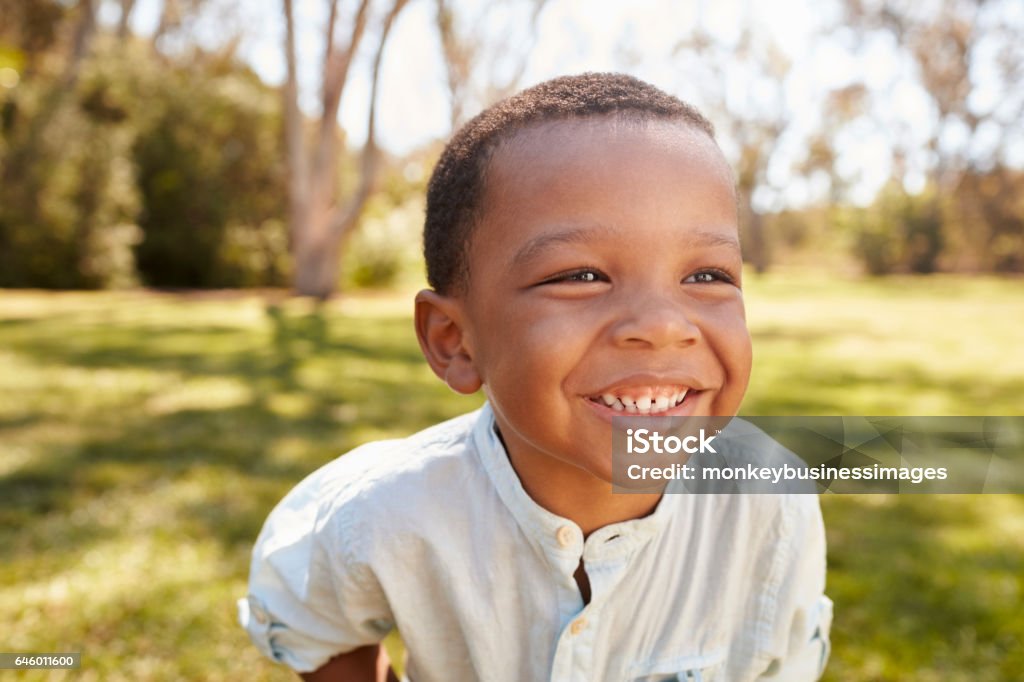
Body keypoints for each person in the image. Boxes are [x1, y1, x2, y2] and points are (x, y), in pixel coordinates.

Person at [239, 73, 832, 681]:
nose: (661, 326)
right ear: (454, 341)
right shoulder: (384, 511)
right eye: (580, 275)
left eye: (707, 275)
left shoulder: (769, 499)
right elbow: (312, 622)